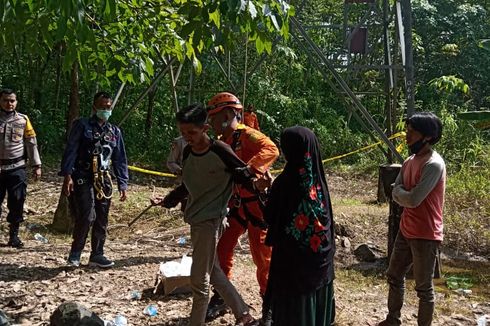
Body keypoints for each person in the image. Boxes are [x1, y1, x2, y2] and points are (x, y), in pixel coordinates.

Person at [151, 104, 258, 326]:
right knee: (213, 270)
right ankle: (244, 315)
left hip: (211, 221)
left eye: (192, 132)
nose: (187, 137)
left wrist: (260, 185)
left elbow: (243, 175)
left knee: (200, 282)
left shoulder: (220, 150)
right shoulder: (189, 152)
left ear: (205, 128)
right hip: (196, 218)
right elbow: (187, 185)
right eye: (183, 133)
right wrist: (168, 201)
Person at [205, 92, 279, 321]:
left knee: (263, 258)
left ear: (228, 114)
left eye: (214, 117)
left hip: (256, 205)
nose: (212, 123)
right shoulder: (222, 141)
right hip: (236, 205)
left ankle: (270, 305)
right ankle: (222, 296)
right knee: (223, 249)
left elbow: (271, 149)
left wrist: (249, 169)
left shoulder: (247, 135)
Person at [263, 126, 336, 326]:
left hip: (292, 266)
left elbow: (269, 216)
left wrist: (265, 191)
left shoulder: (285, 182)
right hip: (319, 260)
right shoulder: (319, 182)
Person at [378, 112, 446, 326]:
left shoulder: (434, 164)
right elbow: (394, 190)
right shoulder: (409, 161)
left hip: (426, 234)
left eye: (412, 132)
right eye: (407, 130)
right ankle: (392, 319)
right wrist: (401, 194)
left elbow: (414, 199)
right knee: (394, 275)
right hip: (406, 229)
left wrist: (401, 194)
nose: (406, 135)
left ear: (427, 136)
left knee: (424, 288)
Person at [60, 91, 129, 268]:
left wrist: (123, 183)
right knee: (87, 215)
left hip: (104, 179)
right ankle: (75, 254)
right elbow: (71, 150)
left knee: (102, 217)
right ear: (94, 107)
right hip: (83, 176)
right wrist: (67, 175)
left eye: (109, 107)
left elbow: (120, 158)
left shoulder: (114, 131)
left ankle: (97, 254)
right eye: (102, 106)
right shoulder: (82, 125)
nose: (106, 110)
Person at [0, 88, 42, 248]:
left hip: (17, 167)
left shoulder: (23, 120)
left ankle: (14, 236)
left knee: (17, 200)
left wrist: (36, 165)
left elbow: (31, 144)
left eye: (12, 100)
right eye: (5, 100)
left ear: (16, 102)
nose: (9, 103)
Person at [166, 135, 188, 211]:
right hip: (183, 184)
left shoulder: (207, 143)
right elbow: (171, 162)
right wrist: (180, 170)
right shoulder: (179, 142)